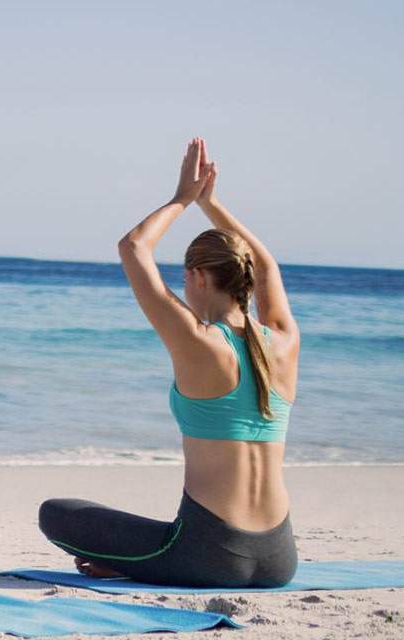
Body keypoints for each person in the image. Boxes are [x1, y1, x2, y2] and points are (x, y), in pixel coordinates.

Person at [36, 138, 299, 587]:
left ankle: (133, 564)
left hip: (210, 555)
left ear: (197, 277)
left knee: (56, 514)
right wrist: (210, 204)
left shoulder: (200, 341)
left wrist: (183, 199)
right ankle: (137, 561)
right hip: (279, 558)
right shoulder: (284, 341)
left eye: (184, 277)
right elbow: (269, 266)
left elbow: (134, 246)